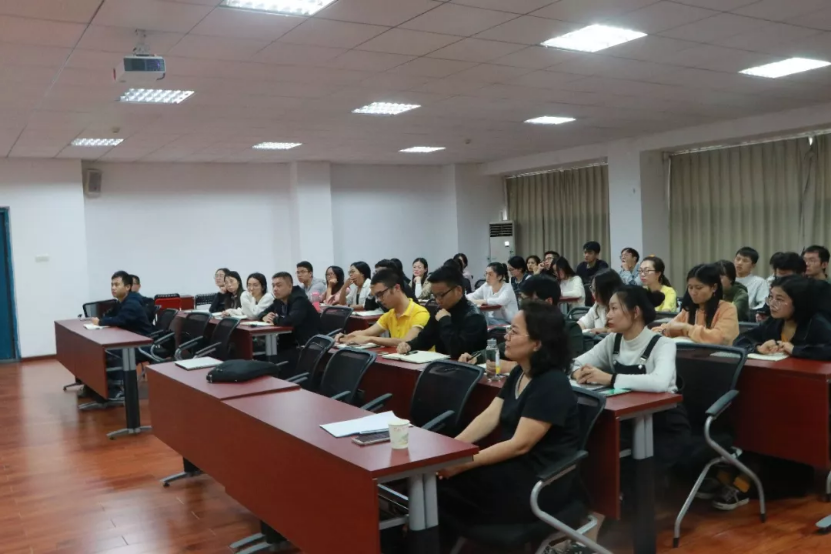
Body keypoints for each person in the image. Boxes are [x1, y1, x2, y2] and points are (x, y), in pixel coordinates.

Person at [438, 301, 581, 528]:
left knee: (444, 487)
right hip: (511, 468)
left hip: (537, 481)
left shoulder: (552, 383)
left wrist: (463, 463)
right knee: (437, 482)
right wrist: (452, 451)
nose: (506, 336)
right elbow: (489, 416)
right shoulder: (519, 372)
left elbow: (520, 445)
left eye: (513, 332)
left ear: (537, 343)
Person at [572, 286, 689, 469]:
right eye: (608, 309)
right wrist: (577, 372)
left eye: (614, 308)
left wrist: (610, 379)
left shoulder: (663, 344)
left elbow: (659, 382)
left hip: (663, 424)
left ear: (635, 312)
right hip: (625, 418)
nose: (608, 315)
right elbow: (575, 363)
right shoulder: (613, 340)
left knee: (640, 466)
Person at [459, 275, 585, 372]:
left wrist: (513, 367)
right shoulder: (524, 325)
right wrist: (475, 357)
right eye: (522, 300)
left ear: (548, 301)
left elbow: (568, 366)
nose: (524, 306)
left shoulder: (569, 328)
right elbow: (501, 348)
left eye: (528, 300)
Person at [397, 265, 487, 358]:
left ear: (458, 290)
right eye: (435, 296)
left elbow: (458, 352)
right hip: (443, 364)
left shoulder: (474, 316)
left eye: (441, 295)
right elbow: (425, 339)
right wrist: (409, 345)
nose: (437, 300)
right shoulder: (441, 310)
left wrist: (445, 320)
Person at [735, 275, 831, 361]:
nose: (772, 303)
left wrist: (795, 350)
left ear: (798, 302)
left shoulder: (816, 323)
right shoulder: (773, 321)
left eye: (779, 299)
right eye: (771, 297)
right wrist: (758, 348)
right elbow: (740, 340)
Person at [335, 269, 429, 348]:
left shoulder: (420, 313)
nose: (378, 300)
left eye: (380, 294)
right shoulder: (390, 314)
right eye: (376, 296)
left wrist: (371, 339)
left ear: (396, 288)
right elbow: (365, 333)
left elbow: (407, 342)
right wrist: (345, 337)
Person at [656, 264, 739, 346]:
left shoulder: (727, 309)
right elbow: (665, 328)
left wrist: (687, 327)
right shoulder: (688, 311)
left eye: (698, 288)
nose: (693, 292)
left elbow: (719, 338)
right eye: (690, 287)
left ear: (714, 287)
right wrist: (664, 331)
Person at [259, 272, 322, 360]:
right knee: (261, 355)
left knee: (269, 358)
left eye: (279, 285)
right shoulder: (279, 300)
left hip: (307, 345)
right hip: (289, 343)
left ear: (290, 286)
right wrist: (264, 317)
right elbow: (262, 313)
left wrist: (274, 319)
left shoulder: (299, 300)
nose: (275, 289)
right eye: (273, 286)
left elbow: (291, 321)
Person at [91, 271, 153, 336]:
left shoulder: (132, 303)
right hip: (128, 336)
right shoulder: (121, 301)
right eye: (112, 285)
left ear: (127, 287)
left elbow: (119, 320)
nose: (113, 288)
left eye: (116, 285)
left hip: (142, 339)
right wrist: (102, 318)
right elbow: (110, 315)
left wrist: (100, 322)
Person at [578, 269, 623, 333]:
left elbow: (621, 332)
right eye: (592, 289)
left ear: (607, 291)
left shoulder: (622, 307)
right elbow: (583, 323)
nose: (593, 294)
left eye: (596, 290)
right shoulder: (597, 306)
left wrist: (604, 330)